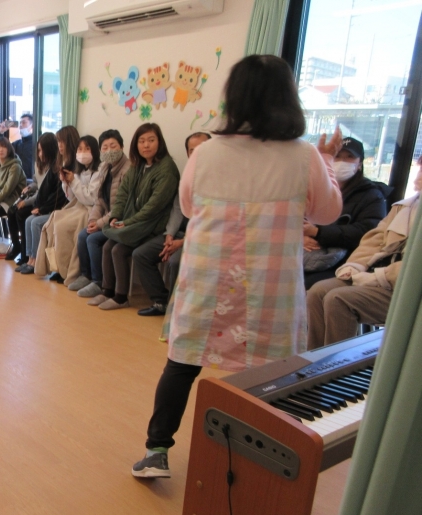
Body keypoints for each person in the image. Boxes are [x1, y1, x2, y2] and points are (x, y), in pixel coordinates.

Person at [131, 55, 343, 479]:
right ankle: (265, 460)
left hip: (208, 280)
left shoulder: (207, 152)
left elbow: (188, 207)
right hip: (271, 286)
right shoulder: (304, 156)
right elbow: (328, 212)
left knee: (183, 363)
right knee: (274, 373)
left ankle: (157, 450)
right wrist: (328, 161)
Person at [307, 160, 419, 348]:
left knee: (338, 299)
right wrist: (355, 266)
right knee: (317, 292)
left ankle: (336, 362)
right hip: (373, 271)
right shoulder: (405, 207)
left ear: (359, 163)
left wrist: (379, 277)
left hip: (405, 286)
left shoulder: (372, 195)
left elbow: (360, 231)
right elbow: (374, 239)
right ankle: (314, 356)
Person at [86, 123, 179, 310]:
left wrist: (127, 222)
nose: (146, 145)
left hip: (154, 226)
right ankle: (107, 291)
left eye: (151, 140)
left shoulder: (167, 168)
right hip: (135, 224)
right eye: (141, 141)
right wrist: (116, 216)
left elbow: (154, 207)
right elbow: (122, 194)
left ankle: (121, 297)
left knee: (118, 250)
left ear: (159, 142)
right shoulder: (138, 165)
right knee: (108, 246)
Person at [132, 132, 211, 316]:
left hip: (201, 237)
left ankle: (177, 309)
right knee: (140, 254)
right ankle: (161, 301)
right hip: (178, 234)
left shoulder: (218, 181)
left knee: (175, 262)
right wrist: (169, 235)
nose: (197, 154)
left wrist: (182, 242)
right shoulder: (187, 177)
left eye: (202, 149)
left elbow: (209, 222)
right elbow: (177, 209)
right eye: (192, 150)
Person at [302, 136, 389, 289]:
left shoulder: (372, 195)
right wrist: (301, 236)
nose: (342, 161)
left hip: (344, 260)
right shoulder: (314, 188)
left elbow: (367, 232)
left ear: (360, 164)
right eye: (337, 156)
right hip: (305, 253)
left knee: (308, 285)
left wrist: (317, 232)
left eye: (349, 157)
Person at [33, 135, 106, 282]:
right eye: (80, 149)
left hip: (91, 209)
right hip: (77, 206)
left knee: (62, 227)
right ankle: (56, 267)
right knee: (52, 223)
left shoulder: (99, 170)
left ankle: (68, 270)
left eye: (87, 149)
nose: (83, 152)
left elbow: (90, 198)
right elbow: (71, 197)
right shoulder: (79, 170)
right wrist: (66, 183)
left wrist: (74, 182)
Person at [73, 130, 131, 297]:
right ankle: (86, 275)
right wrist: (93, 219)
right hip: (106, 218)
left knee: (93, 239)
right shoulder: (105, 167)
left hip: (119, 220)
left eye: (113, 146)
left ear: (122, 147)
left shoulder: (128, 170)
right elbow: (99, 200)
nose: (109, 150)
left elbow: (121, 207)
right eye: (105, 147)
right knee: (83, 235)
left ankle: (98, 281)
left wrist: (99, 224)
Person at [17, 127, 78, 274]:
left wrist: (43, 209)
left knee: (36, 222)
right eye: (58, 141)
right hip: (52, 207)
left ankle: (38, 261)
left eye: (61, 141)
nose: (59, 145)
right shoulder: (59, 162)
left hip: (66, 209)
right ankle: (30, 258)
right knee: (29, 220)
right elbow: (44, 188)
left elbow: (61, 196)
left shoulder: (73, 164)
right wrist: (38, 206)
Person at [5, 134, 54, 262]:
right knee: (11, 212)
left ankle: (26, 254)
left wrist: (26, 202)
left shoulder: (53, 168)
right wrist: (30, 187)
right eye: (39, 150)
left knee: (21, 214)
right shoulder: (38, 165)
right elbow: (37, 184)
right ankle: (17, 246)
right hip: (36, 198)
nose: (40, 153)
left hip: (43, 202)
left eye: (42, 150)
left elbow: (43, 192)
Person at [0, 113, 35, 179]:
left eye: (24, 123)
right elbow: (0, 148)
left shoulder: (36, 144)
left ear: (32, 126)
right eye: (20, 123)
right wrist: (1, 132)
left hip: (31, 179)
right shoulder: (17, 143)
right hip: (15, 178)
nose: (21, 125)